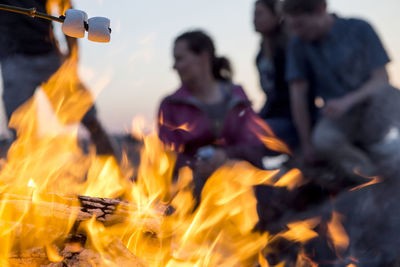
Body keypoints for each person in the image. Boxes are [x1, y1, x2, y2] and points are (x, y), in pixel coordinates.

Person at [282, 0, 399, 175]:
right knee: (323, 139)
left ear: (320, 9)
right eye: (292, 26)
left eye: (300, 24)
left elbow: (381, 79)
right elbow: (298, 95)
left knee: (389, 96)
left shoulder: (359, 28)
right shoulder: (298, 44)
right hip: (339, 117)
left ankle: (392, 158)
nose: (297, 32)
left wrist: (347, 101)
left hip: (373, 104)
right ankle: (371, 178)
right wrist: (307, 144)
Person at [157, 30, 270, 199]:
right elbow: (167, 157)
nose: (175, 66)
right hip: (191, 191)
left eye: (180, 59)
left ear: (203, 57)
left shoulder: (237, 97)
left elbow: (254, 146)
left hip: (239, 185)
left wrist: (225, 156)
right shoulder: (170, 105)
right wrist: (196, 165)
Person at [0, 0, 117, 157]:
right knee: (21, 133)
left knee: (90, 121)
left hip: (50, 57)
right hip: (15, 61)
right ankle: (30, 178)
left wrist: (72, 58)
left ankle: (118, 174)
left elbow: (66, 8)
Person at [253, 0, 298, 151]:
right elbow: (270, 95)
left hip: (292, 117)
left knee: (252, 135)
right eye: (254, 15)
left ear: (276, 16)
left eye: (259, 14)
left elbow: (293, 92)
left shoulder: (289, 48)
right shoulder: (260, 55)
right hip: (274, 113)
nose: (254, 19)